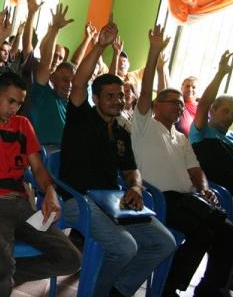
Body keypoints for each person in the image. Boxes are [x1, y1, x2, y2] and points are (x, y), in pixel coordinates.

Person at [0, 7, 81, 297]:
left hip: (21, 205)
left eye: (19, 103)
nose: (13, 108)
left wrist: (49, 191)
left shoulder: (23, 124)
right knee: (1, 266)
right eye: (10, 101)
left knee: (70, 258)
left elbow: (38, 168)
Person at [60, 19, 176, 297]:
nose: (117, 101)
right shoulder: (81, 119)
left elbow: (131, 169)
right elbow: (78, 84)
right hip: (77, 199)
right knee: (125, 247)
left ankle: (118, 290)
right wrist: (100, 46)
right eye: (109, 96)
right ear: (96, 98)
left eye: (120, 96)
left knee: (165, 241)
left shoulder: (122, 132)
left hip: (112, 201)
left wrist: (135, 187)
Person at [131, 27, 233, 297]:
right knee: (208, 229)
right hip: (159, 198)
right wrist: (155, 51)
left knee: (230, 233)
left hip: (189, 199)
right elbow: (145, 92)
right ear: (157, 105)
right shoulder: (144, 125)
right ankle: (169, 288)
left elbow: (196, 169)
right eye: (172, 103)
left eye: (181, 105)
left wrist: (204, 187)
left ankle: (210, 289)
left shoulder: (181, 138)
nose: (179, 108)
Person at [190, 51, 233, 291]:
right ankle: (224, 271)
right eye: (225, 111)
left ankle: (225, 270)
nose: (230, 117)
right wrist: (221, 73)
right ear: (213, 111)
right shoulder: (202, 131)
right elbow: (204, 101)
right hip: (226, 196)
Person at [28, 4, 75, 150]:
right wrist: (55, 29)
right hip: (43, 155)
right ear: (53, 79)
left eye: (72, 81)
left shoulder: (72, 105)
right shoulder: (43, 94)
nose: (69, 85)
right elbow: (45, 65)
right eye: (65, 80)